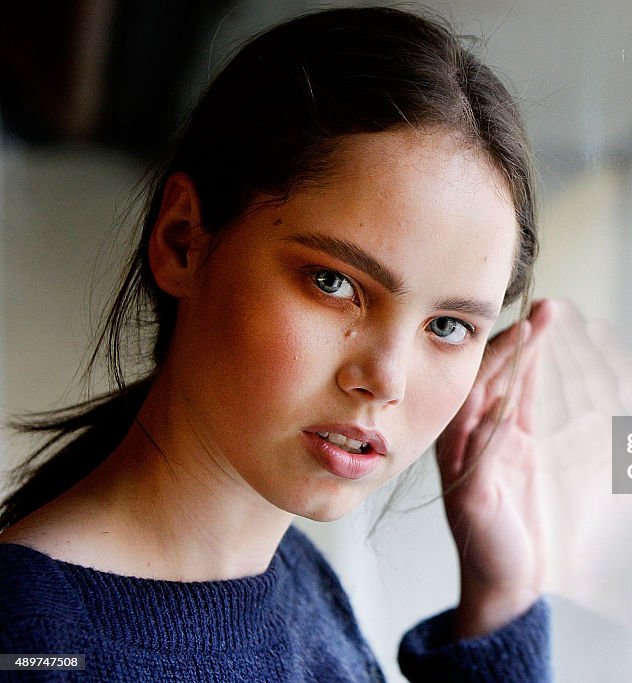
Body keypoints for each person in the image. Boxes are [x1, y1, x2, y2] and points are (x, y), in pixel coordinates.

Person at [0, 6, 554, 682]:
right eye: (334, 282)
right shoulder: (31, 639)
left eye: (447, 326)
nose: (386, 378)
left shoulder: (298, 581)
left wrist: (502, 595)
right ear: (183, 240)